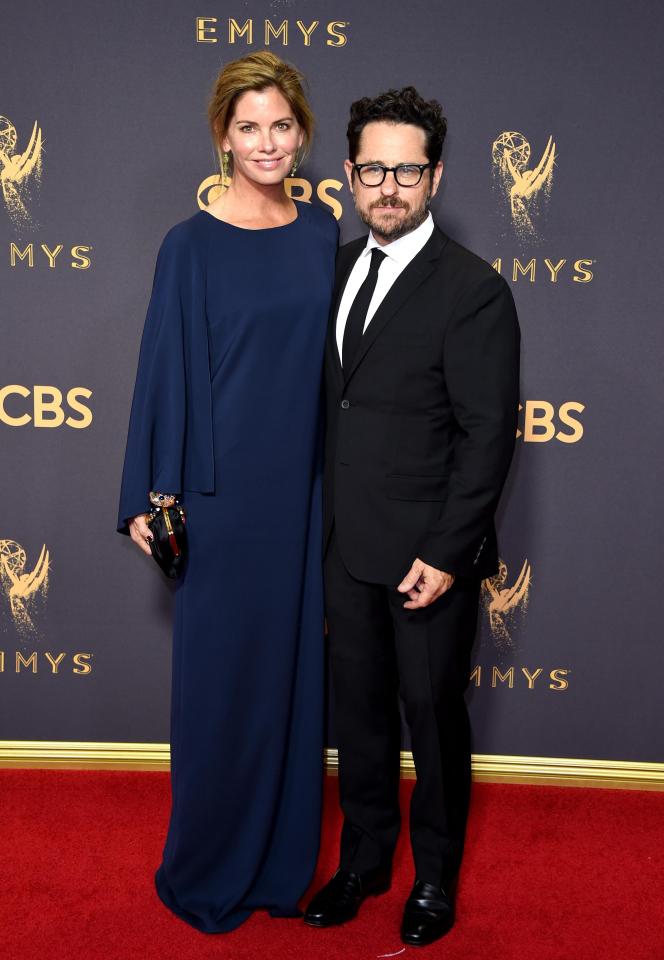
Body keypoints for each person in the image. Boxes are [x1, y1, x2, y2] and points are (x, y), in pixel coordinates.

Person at [116, 51, 338, 933]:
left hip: (304, 491)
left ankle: (282, 869)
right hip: (218, 496)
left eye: (282, 125)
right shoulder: (190, 243)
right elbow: (161, 371)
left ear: (303, 131)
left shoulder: (325, 236)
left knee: (292, 685)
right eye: (250, 126)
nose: (268, 142)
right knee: (218, 692)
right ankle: (207, 867)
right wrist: (148, 494)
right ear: (222, 137)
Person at [304, 87, 520, 946]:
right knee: (355, 718)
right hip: (347, 549)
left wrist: (446, 549)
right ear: (350, 175)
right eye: (372, 169)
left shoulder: (472, 290)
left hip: (429, 560)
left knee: (432, 723)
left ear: (435, 176)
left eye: (407, 169)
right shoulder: (333, 270)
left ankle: (433, 878)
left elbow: (487, 438)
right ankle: (362, 863)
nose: (387, 185)